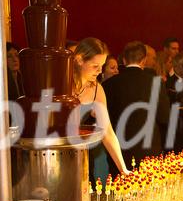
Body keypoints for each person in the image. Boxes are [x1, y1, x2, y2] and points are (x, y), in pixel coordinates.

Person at [103, 41, 170, 176]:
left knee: (120, 192)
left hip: (119, 150)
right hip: (149, 148)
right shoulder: (156, 83)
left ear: (124, 59)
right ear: (144, 60)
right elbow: (165, 117)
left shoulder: (109, 85)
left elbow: (105, 121)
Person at [73, 38, 130, 180]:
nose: (99, 71)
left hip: (83, 159)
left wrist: (123, 169)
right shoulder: (62, 82)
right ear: (79, 60)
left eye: (102, 66)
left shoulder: (97, 89)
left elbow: (107, 132)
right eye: (95, 66)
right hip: (56, 156)